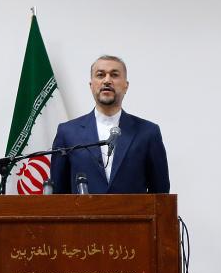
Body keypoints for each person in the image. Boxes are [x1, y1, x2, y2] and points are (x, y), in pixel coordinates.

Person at [50, 55, 170, 194]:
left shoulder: (148, 132)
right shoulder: (67, 132)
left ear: (126, 86)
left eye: (114, 75)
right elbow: (58, 193)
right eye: (100, 75)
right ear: (91, 85)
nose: (107, 80)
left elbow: (161, 193)